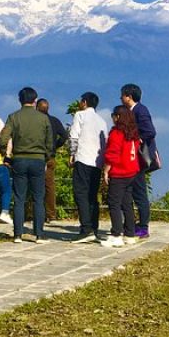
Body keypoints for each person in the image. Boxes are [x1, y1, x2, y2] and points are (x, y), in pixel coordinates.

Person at [0, 87, 53, 243]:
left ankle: (18, 234)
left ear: (20, 100)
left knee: (19, 198)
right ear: (34, 100)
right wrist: (46, 157)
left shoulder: (13, 117)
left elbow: (3, 138)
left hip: (20, 159)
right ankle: (39, 234)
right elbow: (50, 142)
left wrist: (6, 155)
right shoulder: (43, 119)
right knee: (38, 197)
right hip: (38, 160)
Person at [68, 91, 107, 243]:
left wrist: (72, 155)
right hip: (97, 162)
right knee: (92, 195)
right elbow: (105, 142)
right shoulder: (102, 121)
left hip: (83, 158)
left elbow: (74, 136)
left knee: (80, 193)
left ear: (84, 102)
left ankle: (86, 228)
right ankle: (94, 227)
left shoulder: (80, 115)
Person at [101, 105, 141, 248]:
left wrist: (106, 170)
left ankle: (116, 234)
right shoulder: (133, 133)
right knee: (127, 203)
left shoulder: (117, 133)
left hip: (119, 172)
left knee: (114, 203)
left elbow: (113, 153)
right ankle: (129, 234)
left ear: (118, 117)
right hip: (131, 172)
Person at [120, 83, 156, 239]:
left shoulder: (140, 111)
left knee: (140, 192)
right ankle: (133, 224)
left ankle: (143, 226)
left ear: (129, 96)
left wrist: (137, 140)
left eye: (122, 95)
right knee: (132, 191)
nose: (121, 98)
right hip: (133, 158)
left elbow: (150, 131)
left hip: (139, 159)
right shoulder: (132, 111)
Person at [36, 98, 68, 224]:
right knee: (49, 186)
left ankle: (36, 213)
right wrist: (55, 145)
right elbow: (64, 136)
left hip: (36, 156)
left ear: (37, 108)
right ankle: (51, 214)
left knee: (34, 185)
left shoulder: (36, 122)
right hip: (50, 157)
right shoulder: (54, 121)